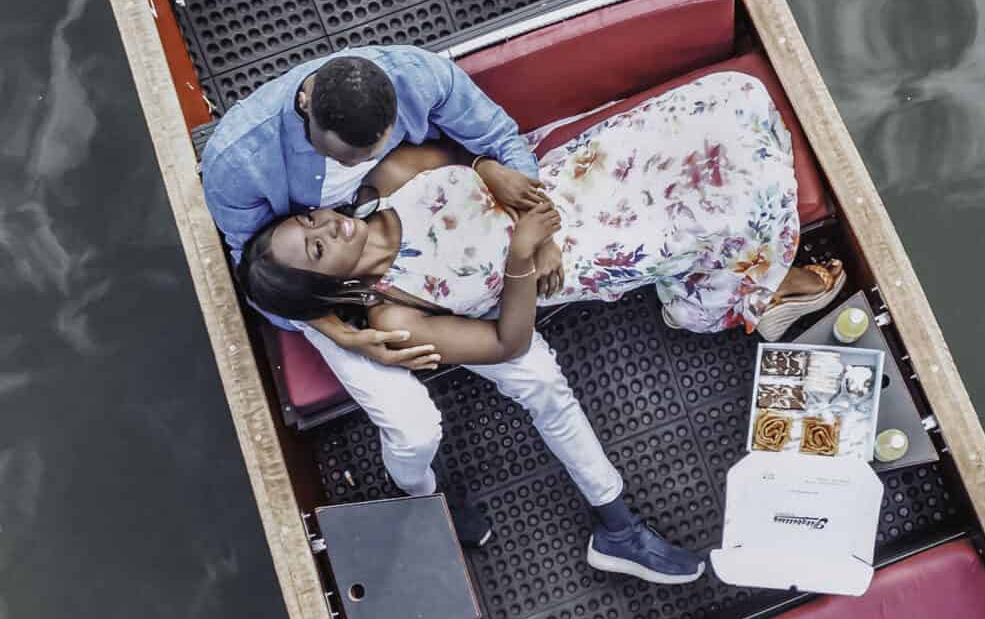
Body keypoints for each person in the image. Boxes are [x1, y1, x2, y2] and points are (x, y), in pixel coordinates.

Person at [203, 46, 705, 584]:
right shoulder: (240, 166)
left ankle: (617, 527)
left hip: (433, 243)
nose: (332, 218)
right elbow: (268, 286)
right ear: (306, 106)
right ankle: (429, 500)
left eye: (380, 141)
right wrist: (348, 338)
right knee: (415, 430)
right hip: (324, 295)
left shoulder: (407, 110)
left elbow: (484, 144)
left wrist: (514, 202)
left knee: (541, 380)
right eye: (353, 156)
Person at [239, 69, 845, 367]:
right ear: (332, 285)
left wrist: (488, 167)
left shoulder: (387, 182)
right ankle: (730, 300)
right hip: (579, 251)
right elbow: (507, 342)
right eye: (316, 248)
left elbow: (459, 158)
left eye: (310, 221)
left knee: (732, 99)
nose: (327, 226)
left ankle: (745, 274)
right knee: (734, 200)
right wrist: (525, 254)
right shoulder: (397, 312)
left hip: (566, 180)